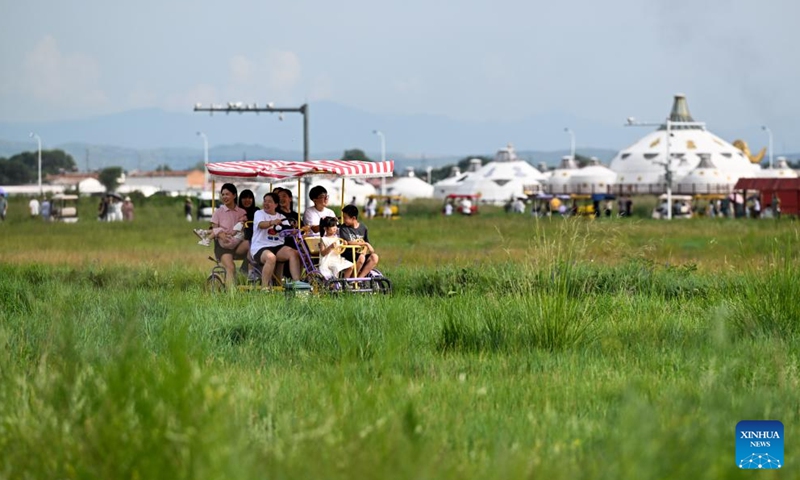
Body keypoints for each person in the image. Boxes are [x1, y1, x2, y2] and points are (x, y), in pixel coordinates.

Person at [251, 192, 304, 289]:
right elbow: (261, 225)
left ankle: (297, 282)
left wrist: (293, 230)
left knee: (294, 253)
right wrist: (272, 222)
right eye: (265, 201)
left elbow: (287, 230)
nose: (266, 203)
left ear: (276, 204)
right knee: (271, 257)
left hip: (277, 246)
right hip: (260, 246)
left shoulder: (281, 216)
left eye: (269, 202)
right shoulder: (259, 213)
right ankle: (265, 287)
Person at [209, 183, 250, 288]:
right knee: (230, 267)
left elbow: (243, 229)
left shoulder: (241, 212)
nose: (224, 197)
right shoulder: (218, 212)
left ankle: (245, 272)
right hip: (223, 247)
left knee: (252, 245)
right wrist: (221, 235)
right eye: (223, 194)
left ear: (234, 195)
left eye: (227, 194)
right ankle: (230, 295)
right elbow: (214, 228)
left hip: (237, 244)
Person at [339, 204, 380, 278]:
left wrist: (365, 250)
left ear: (353, 218)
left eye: (345, 218)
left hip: (359, 254)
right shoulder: (344, 228)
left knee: (375, 257)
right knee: (361, 258)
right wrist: (365, 244)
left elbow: (366, 243)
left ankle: (359, 278)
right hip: (348, 255)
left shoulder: (363, 228)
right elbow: (349, 242)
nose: (344, 220)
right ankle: (352, 279)